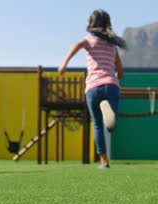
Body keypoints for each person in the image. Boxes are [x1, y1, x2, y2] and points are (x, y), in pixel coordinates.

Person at [58, 9, 126, 169]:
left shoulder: (89, 40)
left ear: (91, 24)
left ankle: (104, 161)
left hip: (93, 87)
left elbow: (76, 45)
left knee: (97, 125)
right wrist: (114, 75)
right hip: (111, 85)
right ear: (108, 25)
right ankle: (111, 119)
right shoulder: (112, 46)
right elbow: (121, 73)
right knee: (111, 122)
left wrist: (64, 64)